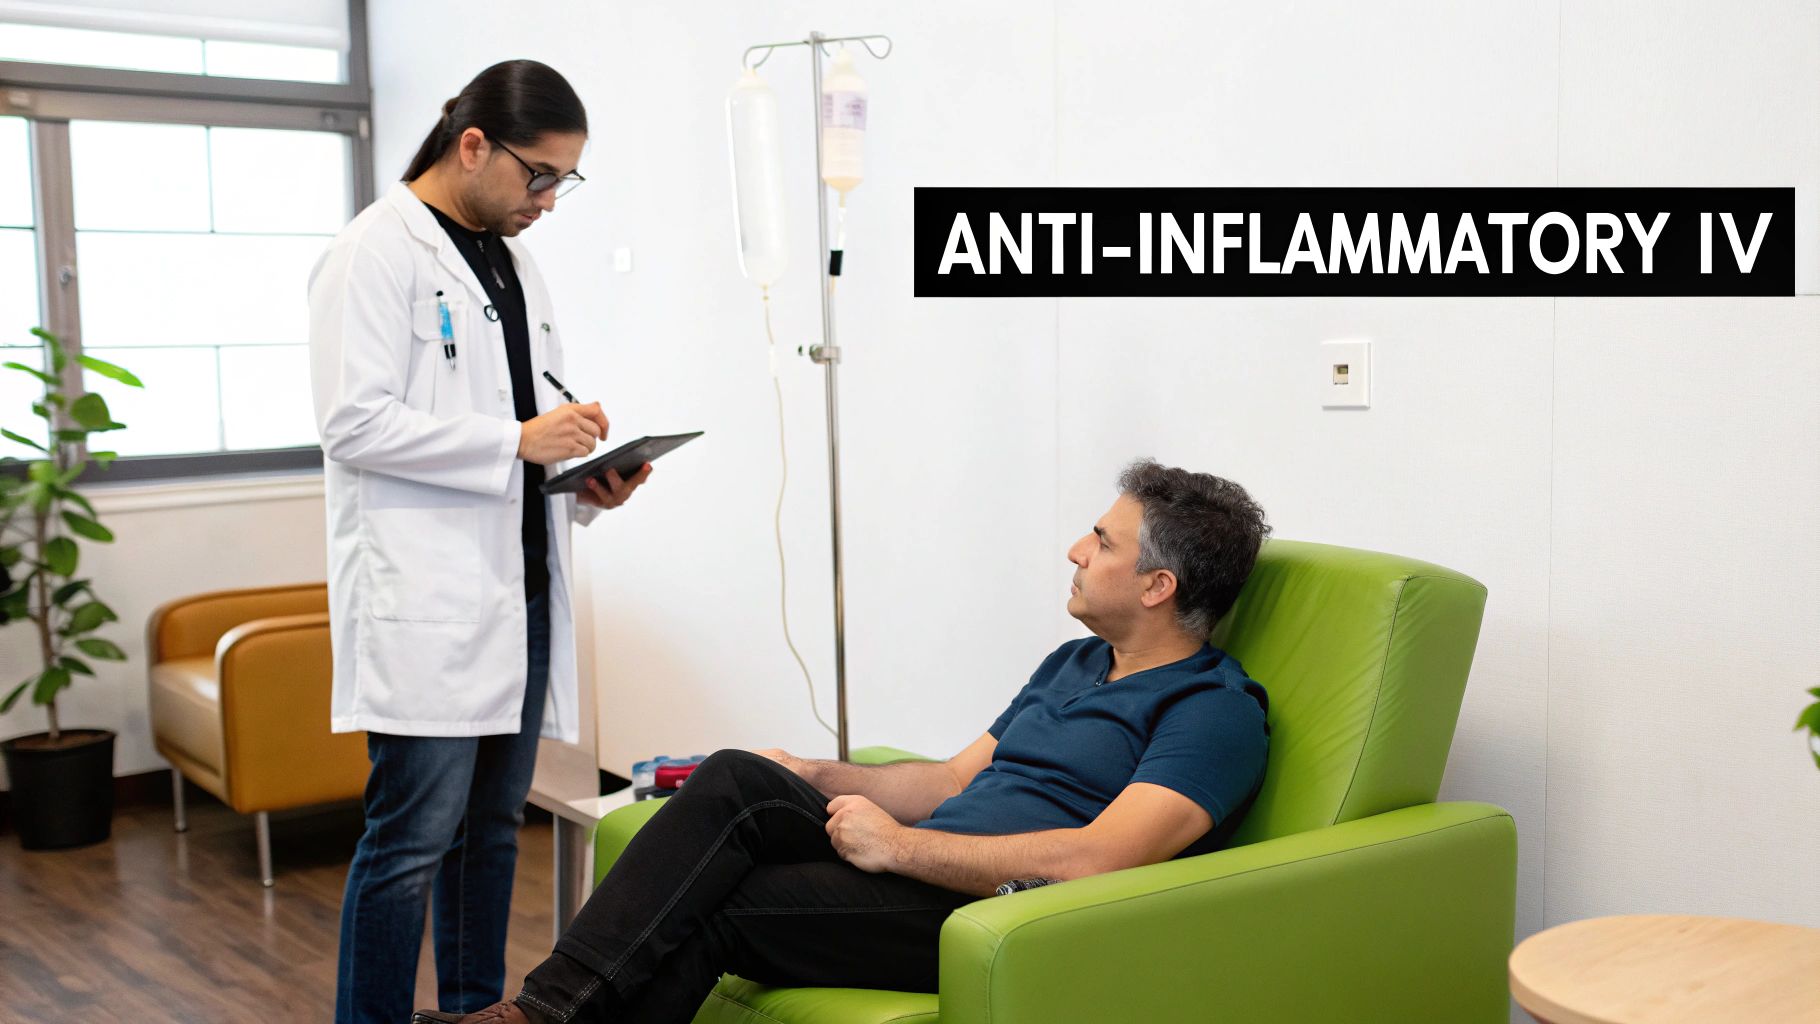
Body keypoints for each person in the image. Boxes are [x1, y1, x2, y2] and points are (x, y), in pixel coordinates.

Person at [415, 459, 1272, 1024]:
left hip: (987, 907)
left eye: (1104, 541)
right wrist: (815, 773)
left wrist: (902, 850)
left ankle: (536, 1015)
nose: (1076, 550)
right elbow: (948, 782)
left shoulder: (1214, 710)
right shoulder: (1077, 662)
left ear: (1159, 585)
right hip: (927, 858)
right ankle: (539, 1015)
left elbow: (1098, 860)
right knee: (738, 778)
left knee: (718, 909)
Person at [307, 60, 652, 1024]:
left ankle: (473, 1012)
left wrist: (582, 475)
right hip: (427, 601)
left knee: (495, 829)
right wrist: (515, 442)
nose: (548, 200)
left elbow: (518, 419)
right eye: (539, 176)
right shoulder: (374, 253)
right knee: (410, 840)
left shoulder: (512, 259)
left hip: (521, 591)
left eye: (563, 182)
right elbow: (353, 425)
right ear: (473, 147)